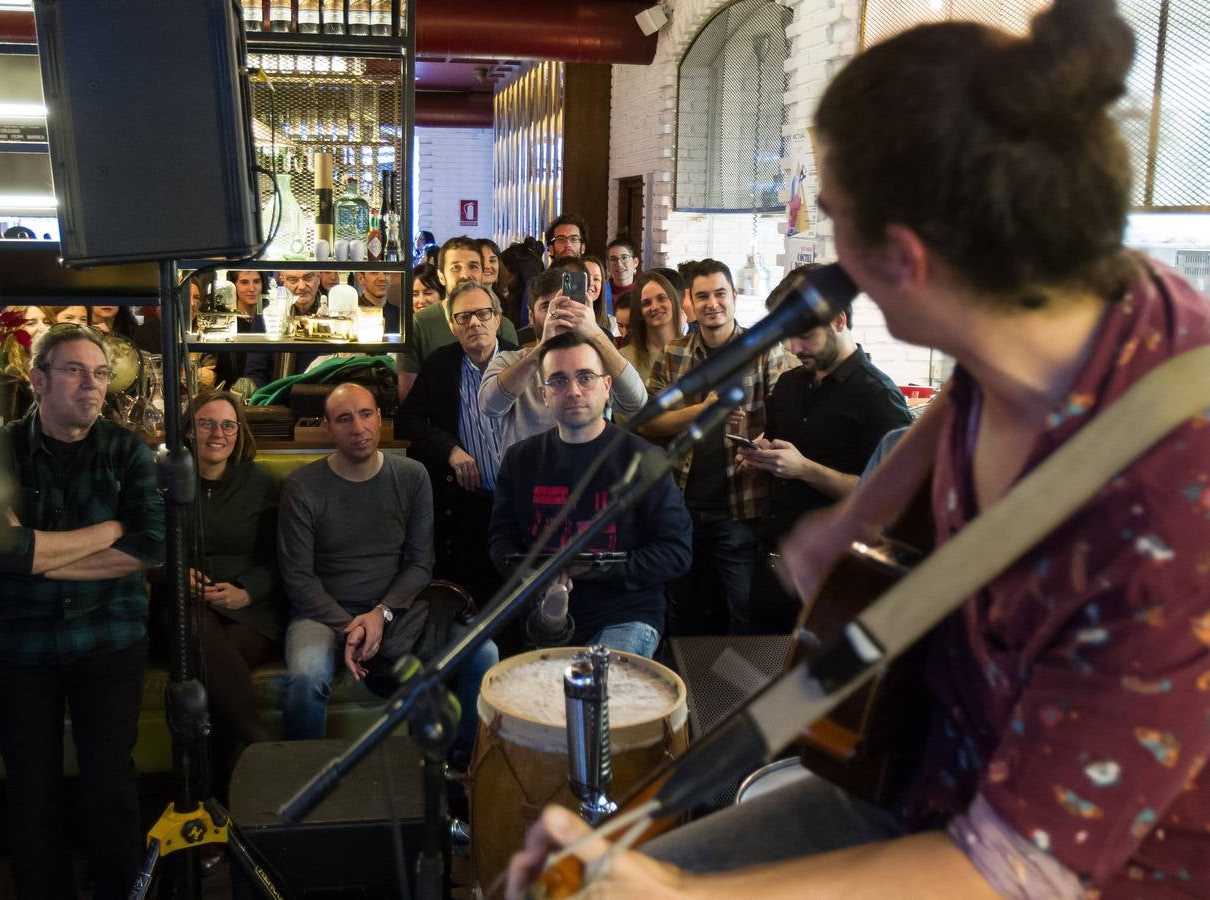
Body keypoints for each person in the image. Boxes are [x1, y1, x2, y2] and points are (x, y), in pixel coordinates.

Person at [506, 2, 1210, 897]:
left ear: (902, 261)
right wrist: (867, 514)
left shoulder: (1169, 506)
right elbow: (968, 388)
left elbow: (1015, 869)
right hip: (914, 759)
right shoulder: (1063, 299)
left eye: (831, 214)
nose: (822, 243)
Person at [0, 323, 164, 899]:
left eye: (101, 373)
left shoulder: (126, 449)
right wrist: (108, 529)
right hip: (19, 643)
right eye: (75, 371)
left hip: (108, 636)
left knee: (110, 783)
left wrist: (36, 555)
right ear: (38, 379)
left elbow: (149, 546)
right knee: (31, 792)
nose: (93, 385)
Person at [277, 383, 498, 755]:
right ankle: (303, 779)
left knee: (485, 652)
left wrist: (380, 614)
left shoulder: (412, 476)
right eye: (344, 419)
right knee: (307, 675)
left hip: (398, 609)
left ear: (380, 418)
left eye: (366, 414)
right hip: (321, 613)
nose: (358, 427)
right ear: (328, 428)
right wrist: (354, 626)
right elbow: (298, 577)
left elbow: (419, 564)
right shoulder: (302, 486)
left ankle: (461, 767)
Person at [489, 332, 691, 657]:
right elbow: (500, 541)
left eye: (585, 377)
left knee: (598, 690)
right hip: (543, 611)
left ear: (607, 386)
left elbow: (676, 551)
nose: (573, 391)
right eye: (558, 380)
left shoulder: (644, 459)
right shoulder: (519, 460)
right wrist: (527, 574)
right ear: (543, 394)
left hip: (626, 613)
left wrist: (600, 570)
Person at [737, 265, 912, 630]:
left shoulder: (878, 397)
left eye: (804, 335)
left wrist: (805, 469)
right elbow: (779, 446)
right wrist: (760, 452)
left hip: (834, 580)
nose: (793, 347)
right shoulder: (788, 385)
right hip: (772, 563)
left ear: (838, 320)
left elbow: (892, 500)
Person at [642, 259, 794, 635]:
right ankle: (686, 688)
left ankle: (735, 693)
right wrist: (702, 411)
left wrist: (754, 433)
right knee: (682, 607)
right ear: (690, 302)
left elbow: (787, 421)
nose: (713, 304)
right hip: (681, 502)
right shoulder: (675, 353)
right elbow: (648, 424)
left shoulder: (765, 351)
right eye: (703, 296)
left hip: (739, 508)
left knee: (741, 609)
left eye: (720, 294)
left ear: (734, 297)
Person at [182, 389, 283, 788]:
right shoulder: (167, 479)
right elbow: (146, 546)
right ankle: (259, 744)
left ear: (239, 433)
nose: (217, 433)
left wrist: (248, 591)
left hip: (249, 612)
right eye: (206, 423)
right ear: (189, 431)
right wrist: (175, 573)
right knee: (192, 627)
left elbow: (283, 557)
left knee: (211, 674)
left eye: (227, 425)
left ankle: (209, 797)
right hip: (183, 609)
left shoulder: (261, 484)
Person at [395, 281, 514, 609]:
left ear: (498, 318)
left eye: (482, 314)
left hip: (517, 503)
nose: (474, 323)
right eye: (463, 317)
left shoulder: (520, 362)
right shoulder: (441, 364)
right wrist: (450, 449)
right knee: (470, 600)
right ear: (451, 325)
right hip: (468, 503)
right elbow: (408, 420)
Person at [480, 268, 647, 466]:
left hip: (589, 476)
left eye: (563, 303)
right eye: (546, 307)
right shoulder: (509, 361)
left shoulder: (596, 362)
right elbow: (489, 406)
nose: (556, 313)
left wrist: (594, 332)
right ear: (531, 316)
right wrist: (542, 348)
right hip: (530, 475)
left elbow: (636, 401)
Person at [396, 237, 519, 401]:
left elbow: (517, 388)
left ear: (482, 273)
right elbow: (408, 397)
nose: (465, 275)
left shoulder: (501, 324)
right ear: (441, 276)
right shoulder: (419, 324)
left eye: (473, 266)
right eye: (455, 268)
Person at [621, 270, 684, 385]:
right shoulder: (625, 358)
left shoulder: (694, 349)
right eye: (646, 303)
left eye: (661, 298)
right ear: (639, 312)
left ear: (673, 301)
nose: (654, 307)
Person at [606, 234, 641, 300]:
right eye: (613, 259)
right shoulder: (600, 293)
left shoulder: (645, 293)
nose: (619, 264)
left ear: (635, 262)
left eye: (624, 257)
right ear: (608, 265)